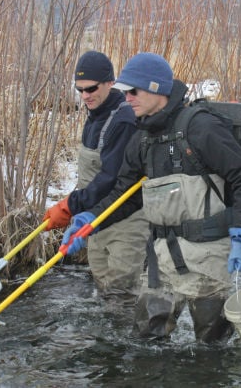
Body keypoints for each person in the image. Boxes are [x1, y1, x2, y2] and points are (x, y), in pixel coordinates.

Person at [62, 52, 241, 343]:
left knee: (211, 347)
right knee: (145, 341)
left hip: (207, 258)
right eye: (124, 92)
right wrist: (91, 219)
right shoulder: (141, 137)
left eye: (133, 91)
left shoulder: (201, 127)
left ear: (156, 88)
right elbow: (125, 194)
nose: (127, 98)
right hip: (161, 260)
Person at [43, 50, 149, 299]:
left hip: (126, 221)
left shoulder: (123, 120)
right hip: (96, 220)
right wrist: (81, 215)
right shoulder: (94, 117)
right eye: (79, 90)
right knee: (104, 291)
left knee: (121, 294)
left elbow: (111, 179)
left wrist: (70, 205)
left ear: (110, 82)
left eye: (91, 88)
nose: (85, 96)